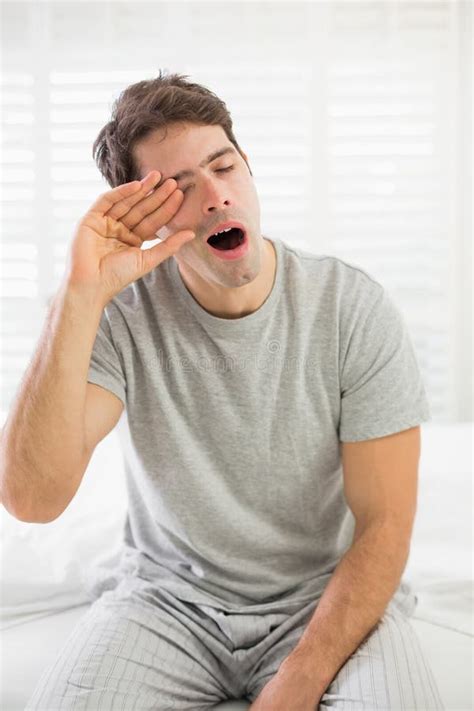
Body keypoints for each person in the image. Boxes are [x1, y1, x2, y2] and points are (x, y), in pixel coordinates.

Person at [1, 71, 443, 709]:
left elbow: (387, 525)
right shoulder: (118, 316)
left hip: (322, 599)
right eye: (177, 188)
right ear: (144, 218)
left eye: (224, 167)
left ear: (250, 170)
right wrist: (79, 294)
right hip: (167, 603)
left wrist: (297, 679)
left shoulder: (352, 307)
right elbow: (32, 499)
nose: (215, 197)